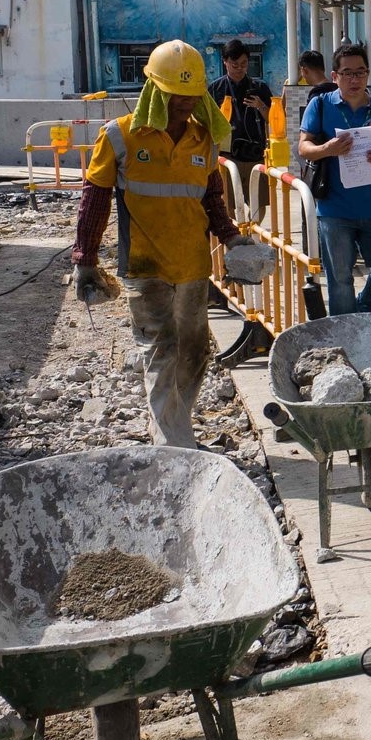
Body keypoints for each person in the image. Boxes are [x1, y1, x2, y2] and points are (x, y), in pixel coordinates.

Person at [70, 40, 270, 449]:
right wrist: (85, 259)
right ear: (154, 91)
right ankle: (175, 449)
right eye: (174, 96)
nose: (183, 105)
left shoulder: (202, 139)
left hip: (193, 265)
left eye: (191, 97)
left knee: (193, 355)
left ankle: (173, 426)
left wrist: (232, 238)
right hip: (144, 267)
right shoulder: (120, 136)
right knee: (160, 351)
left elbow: (211, 199)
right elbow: (94, 200)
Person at [298, 42, 371, 314]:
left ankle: (363, 312)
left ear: (368, 74)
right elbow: (303, 147)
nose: (354, 79)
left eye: (360, 72)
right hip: (335, 209)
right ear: (334, 76)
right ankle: (344, 332)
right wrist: (328, 149)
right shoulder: (320, 105)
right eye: (347, 73)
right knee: (340, 280)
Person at [207, 39, 274, 209]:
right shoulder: (215, 89)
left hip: (255, 155)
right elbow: (206, 122)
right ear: (225, 62)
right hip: (227, 156)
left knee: (258, 205)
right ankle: (236, 235)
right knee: (228, 205)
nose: (239, 69)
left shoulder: (260, 87)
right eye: (234, 64)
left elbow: (273, 119)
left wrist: (261, 106)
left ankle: (253, 234)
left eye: (244, 64)